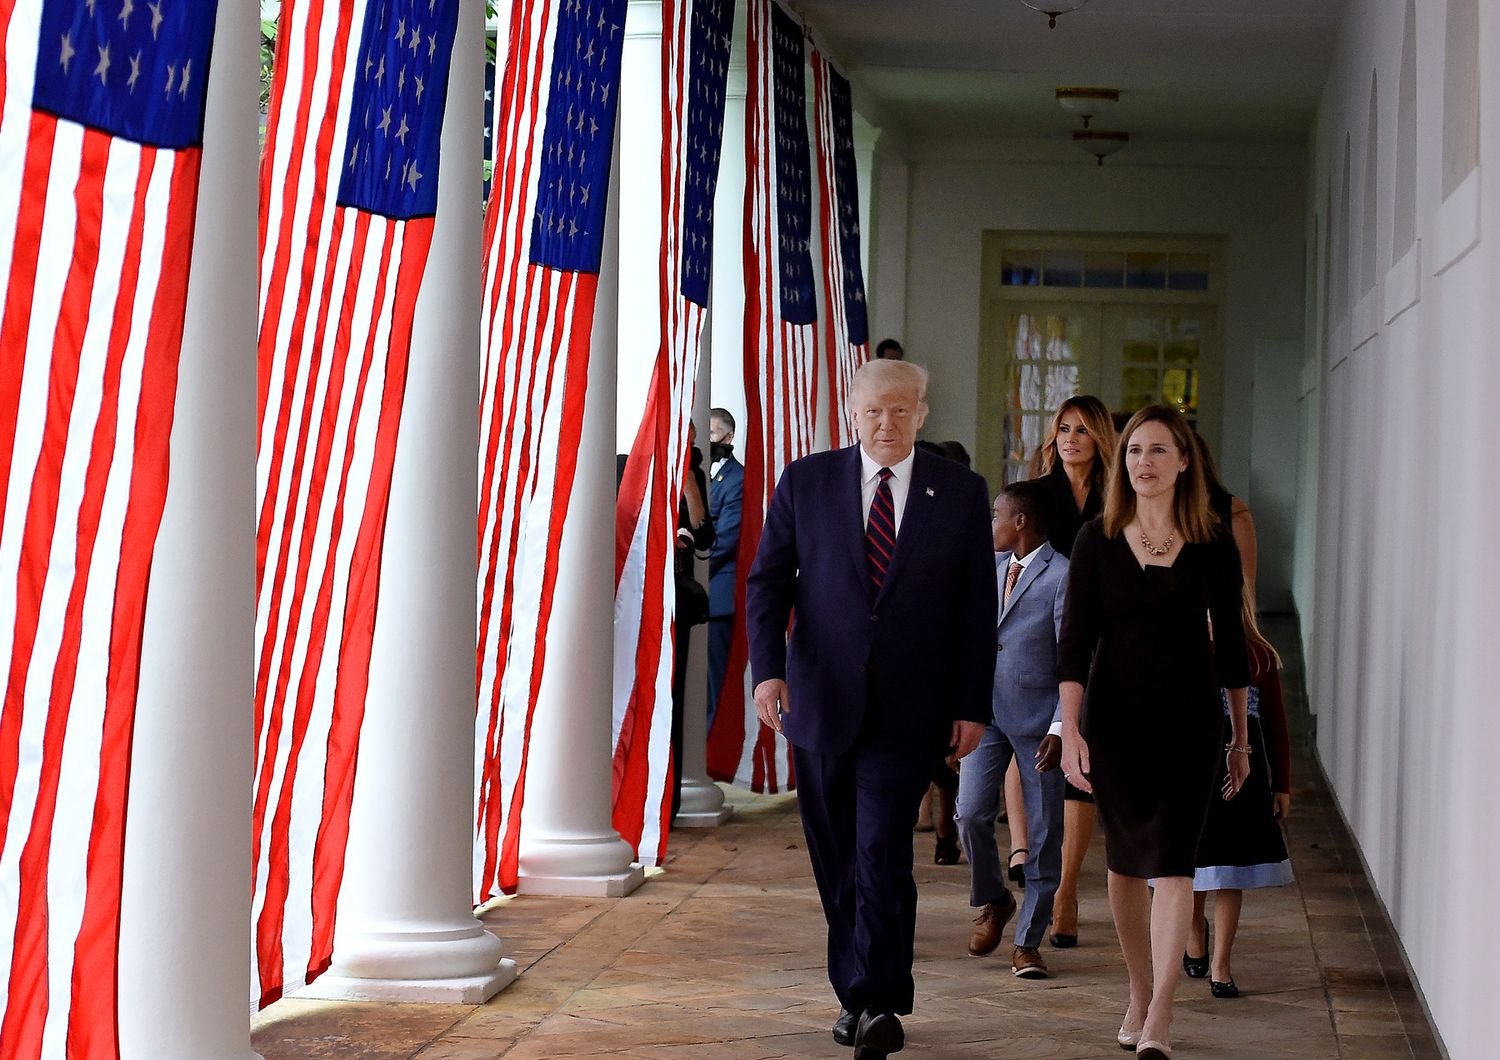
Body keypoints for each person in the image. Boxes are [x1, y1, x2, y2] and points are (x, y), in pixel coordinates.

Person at [747, 359, 997, 1060]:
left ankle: (877, 1000)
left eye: (900, 411)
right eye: (872, 413)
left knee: (881, 851)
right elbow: (767, 582)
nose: (885, 426)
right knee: (838, 861)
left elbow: (979, 609)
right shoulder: (808, 480)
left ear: (922, 412)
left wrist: (972, 703)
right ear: (851, 414)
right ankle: (858, 989)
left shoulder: (960, 492)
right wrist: (768, 674)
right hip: (818, 699)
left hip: (911, 708)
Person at [1057, 404, 1251, 1059]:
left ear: (1185, 461)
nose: (1144, 462)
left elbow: (1232, 647)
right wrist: (1072, 729)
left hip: (1190, 723)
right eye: (1136, 450)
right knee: (1122, 863)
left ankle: (1163, 1011)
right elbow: (1075, 641)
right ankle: (1138, 989)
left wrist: (1241, 737)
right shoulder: (1098, 540)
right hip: (1114, 724)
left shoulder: (1211, 540)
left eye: (1159, 450)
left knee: (1173, 864)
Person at [955, 479, 1068, 980]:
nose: (990, 523)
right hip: (985, 715)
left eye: (996, 514)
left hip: (1041, 723)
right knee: (970, 813)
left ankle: (1028, 941)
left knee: (1044, 833)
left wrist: (1063, 726)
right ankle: (995, 899)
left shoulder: (1063, 575)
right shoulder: (990, 568)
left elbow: (1072, 658)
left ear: (1019, 521)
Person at [1027, 395, 1117, 948]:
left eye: (1083, 430)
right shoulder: (1036, 495)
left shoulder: (1119, 495)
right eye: (1063, 428)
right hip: (1035, 634)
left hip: (1099, 634)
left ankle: (1064, 889)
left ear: (1099, 438)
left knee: (1080, 757)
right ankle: (1029, 860)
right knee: (1031, 744)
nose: (1071, 438)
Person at [1183, 591, 1293, 998]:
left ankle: (1221, 963)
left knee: (1231, 868)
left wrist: (1282, 783)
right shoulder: (1179, 649)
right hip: (1191, 769)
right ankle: (1194, 933)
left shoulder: (1258, 655)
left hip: (1242, 771)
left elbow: (1277, 724)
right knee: (1189, 864)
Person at [706, 408, 744, 726]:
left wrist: (692, 566)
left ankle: (710, 747)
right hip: (691, 592)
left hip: (717, 593)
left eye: (712, 433)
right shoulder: (694, 472)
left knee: (713, 677)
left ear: (729, 437)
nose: (706, 441)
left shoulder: (736, 479)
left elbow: (726, 539)